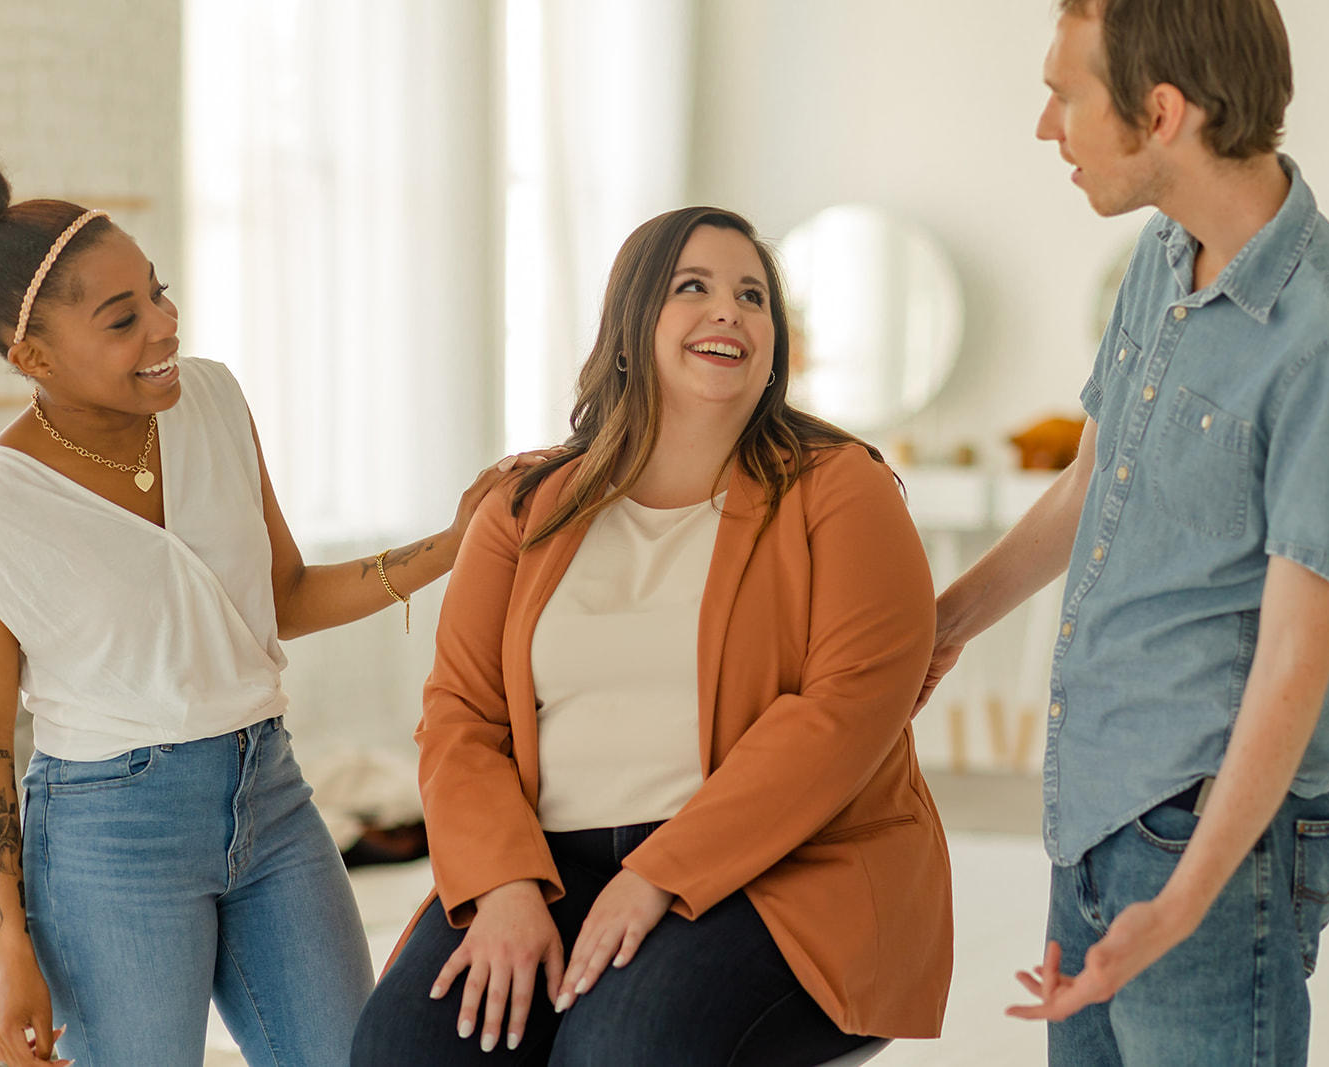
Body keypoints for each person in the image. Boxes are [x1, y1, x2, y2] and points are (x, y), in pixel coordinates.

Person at [916, 1, 1329, 1063]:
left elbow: (1295, 654)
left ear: (1160, 111)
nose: (1045, 126)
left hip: (1210, 845)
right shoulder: (1158, 257)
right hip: (1097, 813)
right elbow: (1088, 485)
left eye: (1064, 94)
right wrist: (946, 622)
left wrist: (1185, 900)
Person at [352, 206, 954, 1065]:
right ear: (632, 326)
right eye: (693, 288)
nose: (730, 312)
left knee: (617, 1052)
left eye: (753, 295)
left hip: (779, 873)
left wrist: (657, 876)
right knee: (404, 1050)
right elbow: (462, 715)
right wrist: (504, 886)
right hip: (546, 864)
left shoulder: (842, 489)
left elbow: (844, 716)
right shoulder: (521, 505)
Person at [0, 159, 539, 1067]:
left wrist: (454, 540)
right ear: (31, 358)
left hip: (268, 794)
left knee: (350, 1054)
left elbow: (281, 597)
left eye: (156, 293)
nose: (163, 325)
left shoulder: (212, 399)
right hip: (111, 838)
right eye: (123, 320)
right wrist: (10, 953)